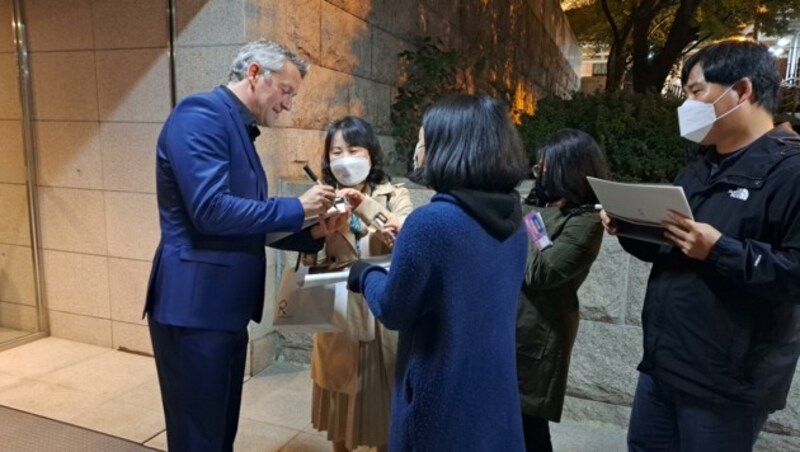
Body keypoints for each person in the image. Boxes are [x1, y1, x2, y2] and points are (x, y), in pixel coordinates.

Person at [143, 39, 346, 452]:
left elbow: (242, 221)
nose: (288, 105)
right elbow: (211, 211)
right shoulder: (199, 115)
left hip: (222, 310)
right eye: (286, 91)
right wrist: (296, 206)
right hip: (194, 309)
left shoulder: (234, 126)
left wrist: (313, 232)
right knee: (198, 438)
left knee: (218, 434)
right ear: (255, 74)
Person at [600, 39, 800, 451]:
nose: (687, 105)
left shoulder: (790, 172)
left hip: (728, 384)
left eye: (695, 91)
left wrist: (720, 249)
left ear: (742, 91)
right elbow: (674, 247)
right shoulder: (698, 169)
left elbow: (793, 275)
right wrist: (630, 226)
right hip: (664, 364)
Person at [346, 93, 530, 451]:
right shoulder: (515, 220)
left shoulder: (430, 223)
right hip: (493, 397)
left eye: (423, 141)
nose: (418, 150)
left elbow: (394, 309)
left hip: (438, 403)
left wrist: (363, 274)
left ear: (450, 149)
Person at [306, 116, 413, 452]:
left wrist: (363, 205)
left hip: (383, 309)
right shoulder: (321, 198)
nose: (345, 159)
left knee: (383, 399)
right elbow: (309, 263)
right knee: (340, 398)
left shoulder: (394, 194)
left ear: (370, 153)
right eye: (336, 152)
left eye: (353, 149)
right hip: (340, 310)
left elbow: (406, 239)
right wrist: (314, 236)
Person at [516, 129, 610, 451]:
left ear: (570, 169)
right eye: (538, 164)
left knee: (530, 426)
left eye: (546, 165)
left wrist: (527, 219)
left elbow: (542, 271)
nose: (537, 172)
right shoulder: (532, 204)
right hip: (507, 326)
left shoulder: (587, 221)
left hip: (538, 333)